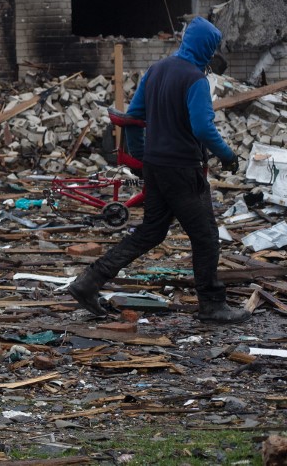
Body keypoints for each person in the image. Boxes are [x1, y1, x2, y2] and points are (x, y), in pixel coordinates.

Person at [68, 17, 249, 324]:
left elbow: (134, 117)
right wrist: (228, 156)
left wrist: (141, 155)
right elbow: (203, 128)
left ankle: (88, 283)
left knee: (151, 232)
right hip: (182, 169)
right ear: (206, 46)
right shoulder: (196, 79)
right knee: (205, 237)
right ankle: (212, 305)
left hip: (156, 167)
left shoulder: (156, 70)